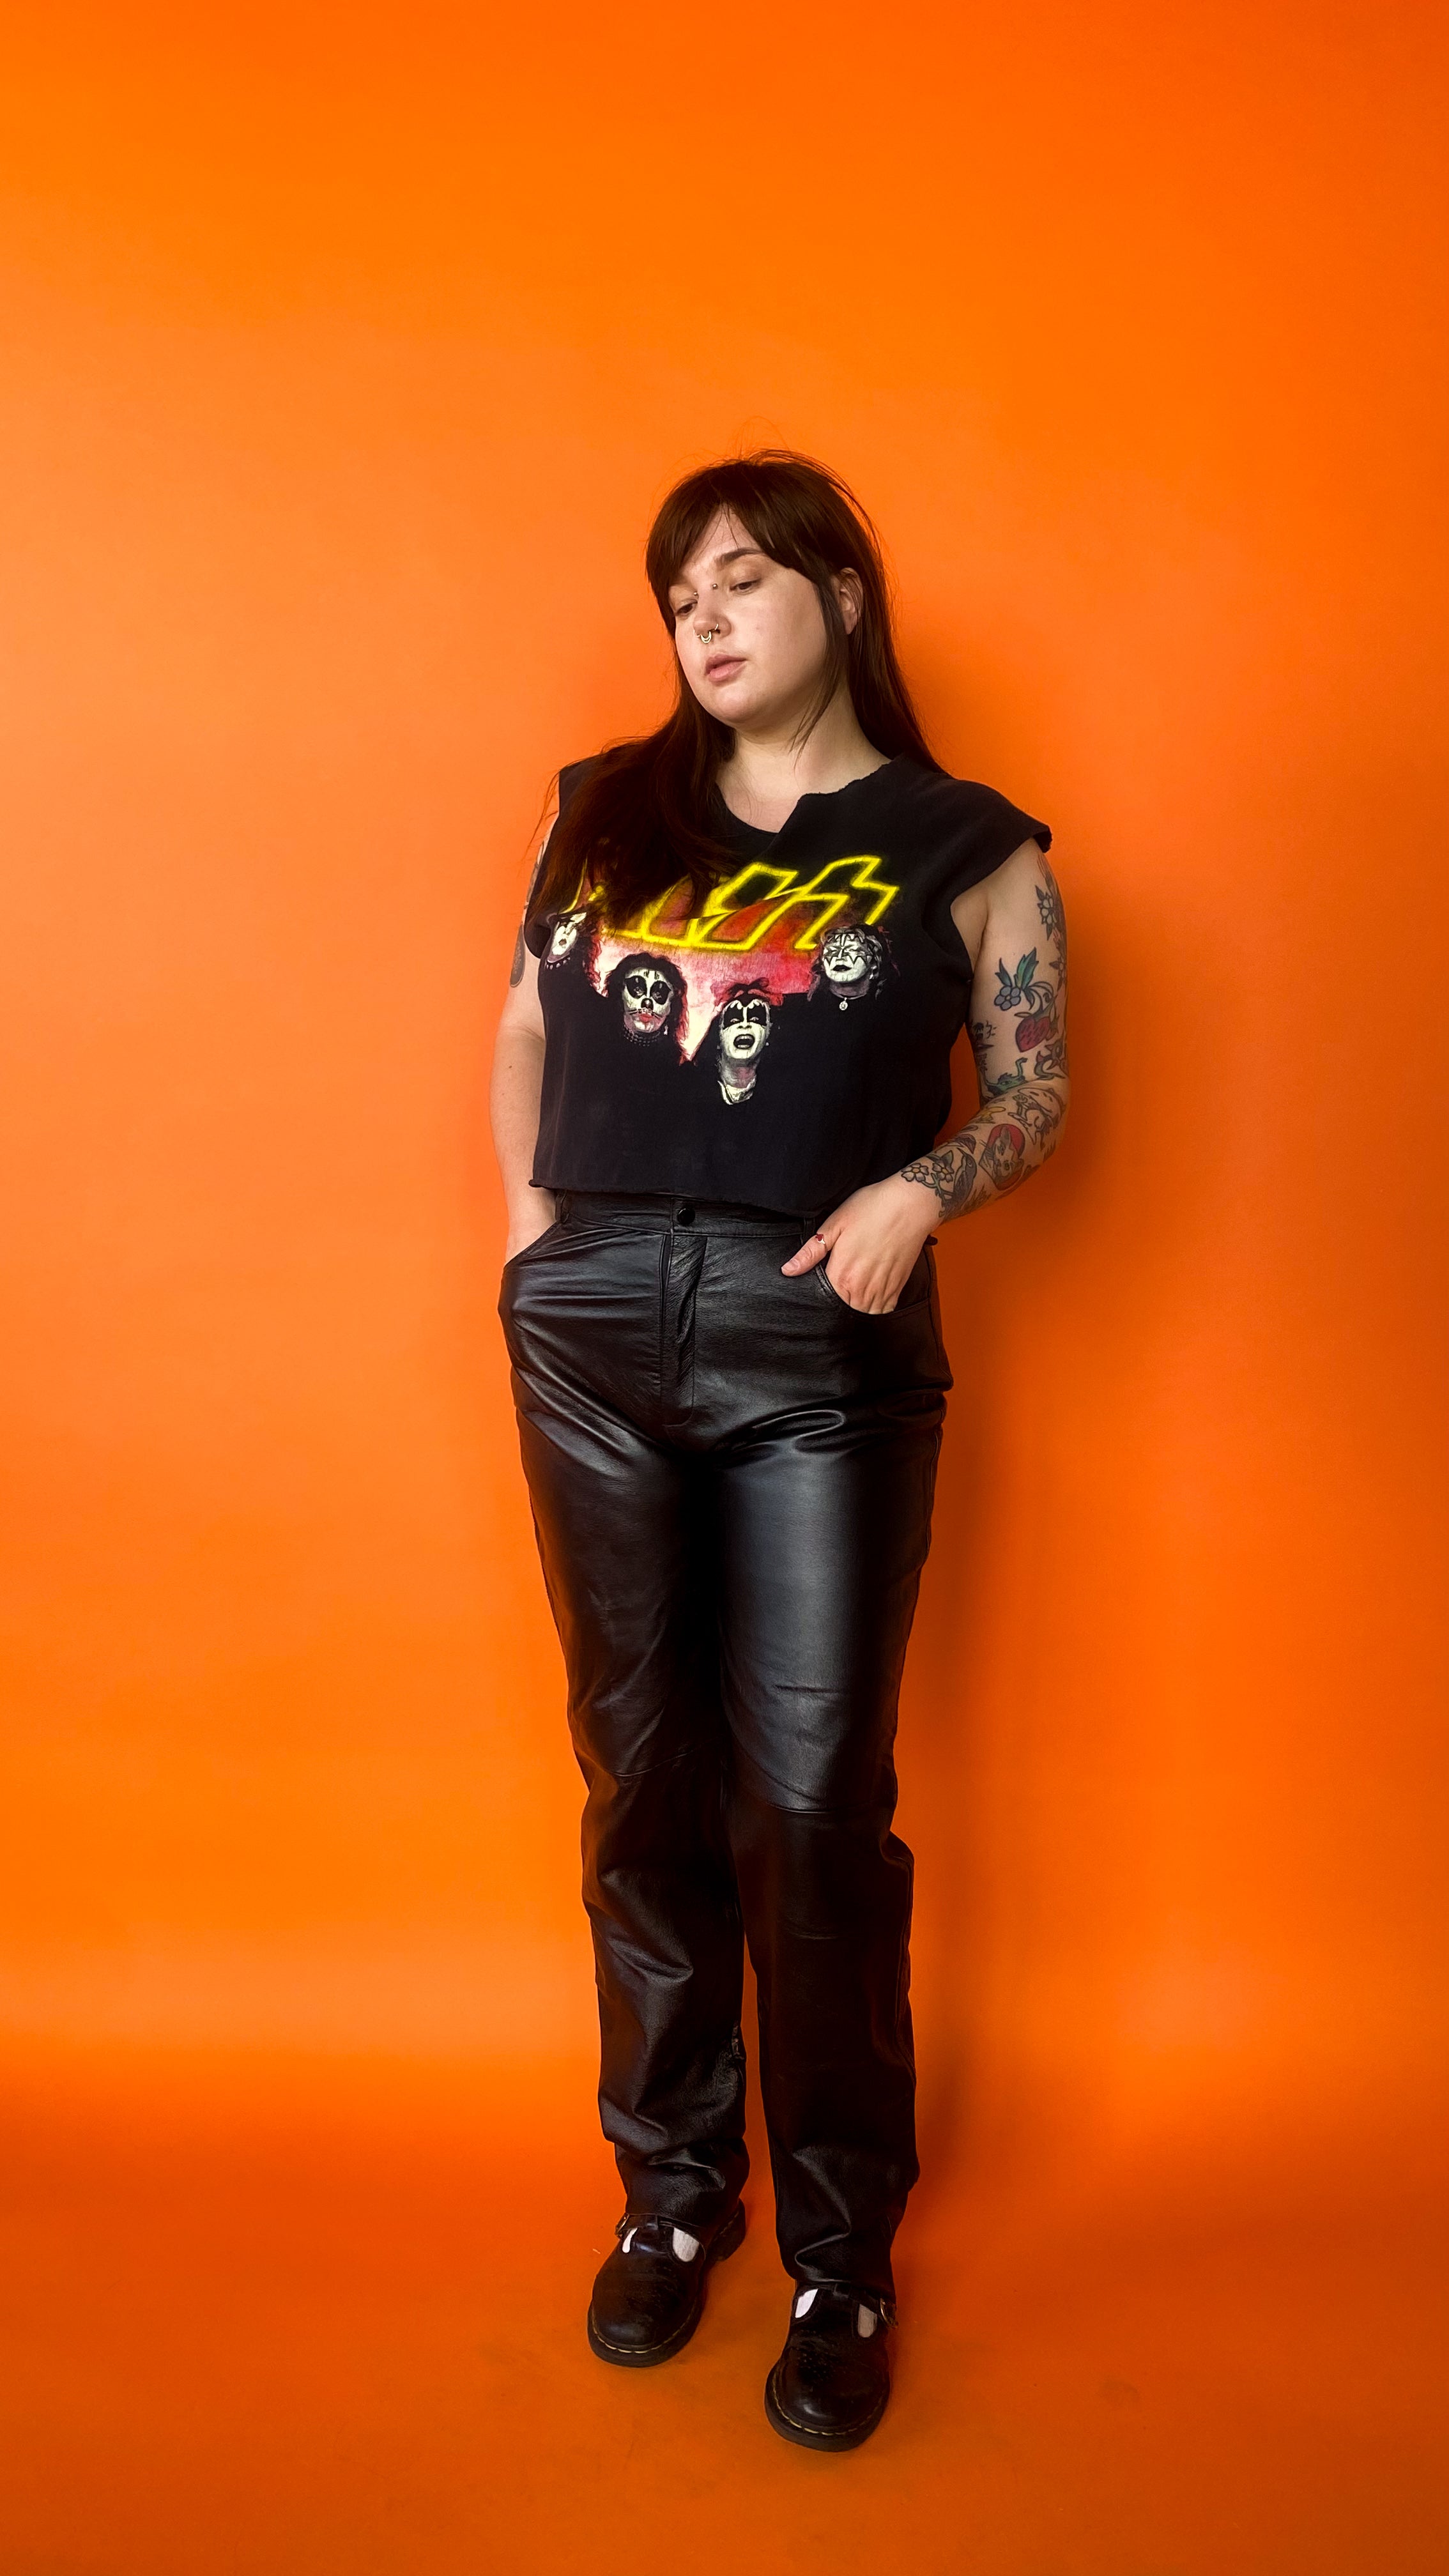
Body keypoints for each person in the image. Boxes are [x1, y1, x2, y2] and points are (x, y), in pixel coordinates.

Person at [489, 450, 1069, 2451]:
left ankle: (839, 2249)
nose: (705, 620)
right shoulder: (601, 809)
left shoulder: (963, 841)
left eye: (741, 579)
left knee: (809, 1811)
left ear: (839, 593)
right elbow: (524, 1026)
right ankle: (670, 2194)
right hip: (589, 1332)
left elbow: (1038, 1082)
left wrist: (924, 1183)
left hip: (818, 1342)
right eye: (679, 596)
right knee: (637, 1781)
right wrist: (531, 1244)